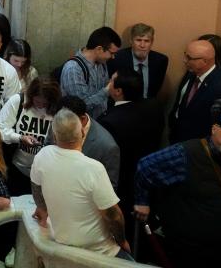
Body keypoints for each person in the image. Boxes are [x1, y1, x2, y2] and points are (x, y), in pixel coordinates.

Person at [133, 101, 221, 265]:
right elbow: (145, 166)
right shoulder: (187, 154)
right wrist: (142, 201)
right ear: (214, 128)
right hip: (195, 252)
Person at [30, 109, 130, 260]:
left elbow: (36, 189)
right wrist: (122, 241)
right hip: (99, 252)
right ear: (82, 133)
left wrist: (42, 209)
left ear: (55, 136)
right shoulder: (94, 168)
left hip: (60, 247)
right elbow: (113, 216)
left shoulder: (42, 155)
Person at [97, 70, 163, 225]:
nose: (109, 84)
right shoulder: (154, 107)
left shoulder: (110, 121)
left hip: (122, 184)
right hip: (148, 180)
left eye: (111, 81)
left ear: (118, 91)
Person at [0, 78, 62, 195]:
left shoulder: (58, 108)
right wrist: (19, 138)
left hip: (45, 171)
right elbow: (0, 128)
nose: (41, 106)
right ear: (31, 96)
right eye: (37, 102)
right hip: (17, 167)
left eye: (44, 103)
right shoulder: (18, 101)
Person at [168, 38, 221, 143]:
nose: (184, 60)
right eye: (185, 55)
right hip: (179, 135)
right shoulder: (194, 72)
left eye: (189, 57)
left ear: (204, 61)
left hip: (197, 146)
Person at [46, 95, 120, 189]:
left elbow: (109, 188)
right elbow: (48, 145)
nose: (61, 125)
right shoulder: (59, 123)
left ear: (82, 119)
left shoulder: (107, 146)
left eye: (67, 122)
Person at [58, 25, 120, 119]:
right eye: (112, 53)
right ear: (99, 49)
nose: (113, 57)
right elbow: (81, 107)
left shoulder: (102, 63)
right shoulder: (73, 68)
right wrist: (107, 90)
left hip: (99, 122)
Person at [106, 23, 168, 100]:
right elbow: (110, 89)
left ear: (151, 43)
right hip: (124, 108)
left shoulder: (160, 61)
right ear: (131, 41)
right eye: (138, 40)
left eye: (146, 41)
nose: (142, 45)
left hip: (147, 107)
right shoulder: (116, 59)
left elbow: (154, 91)